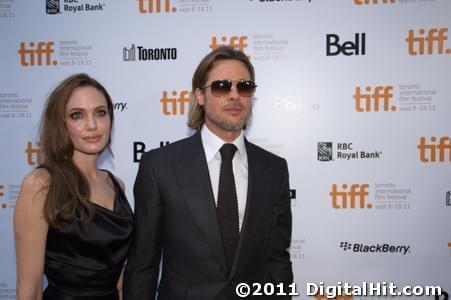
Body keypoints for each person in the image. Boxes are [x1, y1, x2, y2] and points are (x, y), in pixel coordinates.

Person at [124, 46, 293, 299]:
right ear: (200, 96)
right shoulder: (159, 166)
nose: (235, 96)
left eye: (244, 87)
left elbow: (277, 260)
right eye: (222, 86)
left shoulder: (274, 169)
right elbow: (142, 266)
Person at [14, 73, 134, 300]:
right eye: (77, 115)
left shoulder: (116, 185)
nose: (92, 125)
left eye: (101, 113)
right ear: (60, 124)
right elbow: (29, 290)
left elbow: (118, 280)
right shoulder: (41, 185)